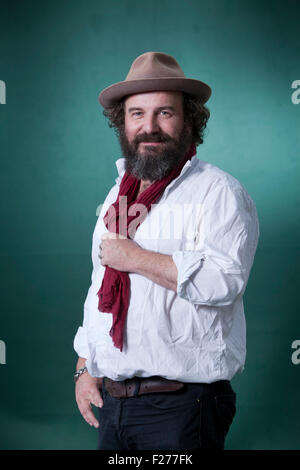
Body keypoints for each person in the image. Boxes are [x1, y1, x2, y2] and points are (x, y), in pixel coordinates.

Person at [73, 51, 259, 450]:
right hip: (115, 403)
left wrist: (135, 258)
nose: (149, 127)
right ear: (122, 123)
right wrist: (85, 366)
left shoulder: (218, 191)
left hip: (183, 406)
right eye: (137, 114)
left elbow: (224, 280)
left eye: (165, 113)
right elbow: (100, 284)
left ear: (189, 119)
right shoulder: (117, 196)